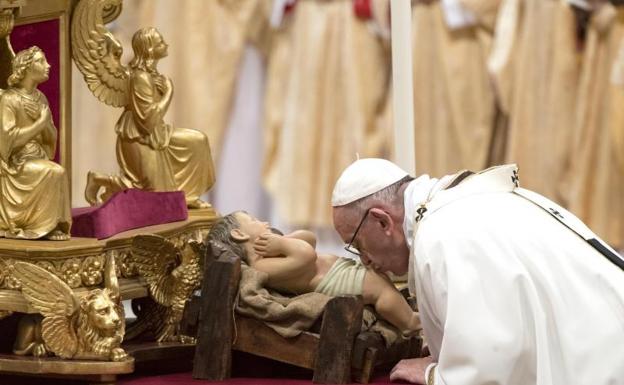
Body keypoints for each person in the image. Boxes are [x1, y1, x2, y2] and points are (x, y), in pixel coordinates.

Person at [331, 158, 624, 385]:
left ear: (382, 221)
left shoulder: (442, 235)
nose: (365, 261)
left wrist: (438, 374)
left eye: (357, 244)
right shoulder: (455, 208)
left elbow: (490, 360)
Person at [206, 210, 422, 336]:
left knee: (383, 281)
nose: (263, 222)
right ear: (238, 234)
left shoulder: (274, 250)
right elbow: (306, 255)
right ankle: (411, 324)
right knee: (382, 293)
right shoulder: (261, 266)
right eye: (253, 221)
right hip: (334, 282)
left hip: (340, 270)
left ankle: (411, 314)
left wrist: (284, 240)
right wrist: (282, 242)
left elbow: (309, 238)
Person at [84, 27, 214, 209]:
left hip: (156, 134)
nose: (165, 44)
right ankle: (101, 179)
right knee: (153, 194)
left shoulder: (152, 75)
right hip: (138, 137)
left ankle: (189, 197)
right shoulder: (140, 78)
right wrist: (169, 93)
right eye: (160, 42)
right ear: (150, 49)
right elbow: (147, 120)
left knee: (198, 141)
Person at [0, 46, 71, 240]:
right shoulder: (9, 98)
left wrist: (45, 125)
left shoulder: (41, 99)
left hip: (37, 157)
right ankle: (46, 226)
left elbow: (50, 141)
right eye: (41, 61)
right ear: (26, 68)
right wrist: (39, 124)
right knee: (56, 171)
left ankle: (52, 225)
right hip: (16, 164)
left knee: (54, 169)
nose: (48, 65)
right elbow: (8, 142)